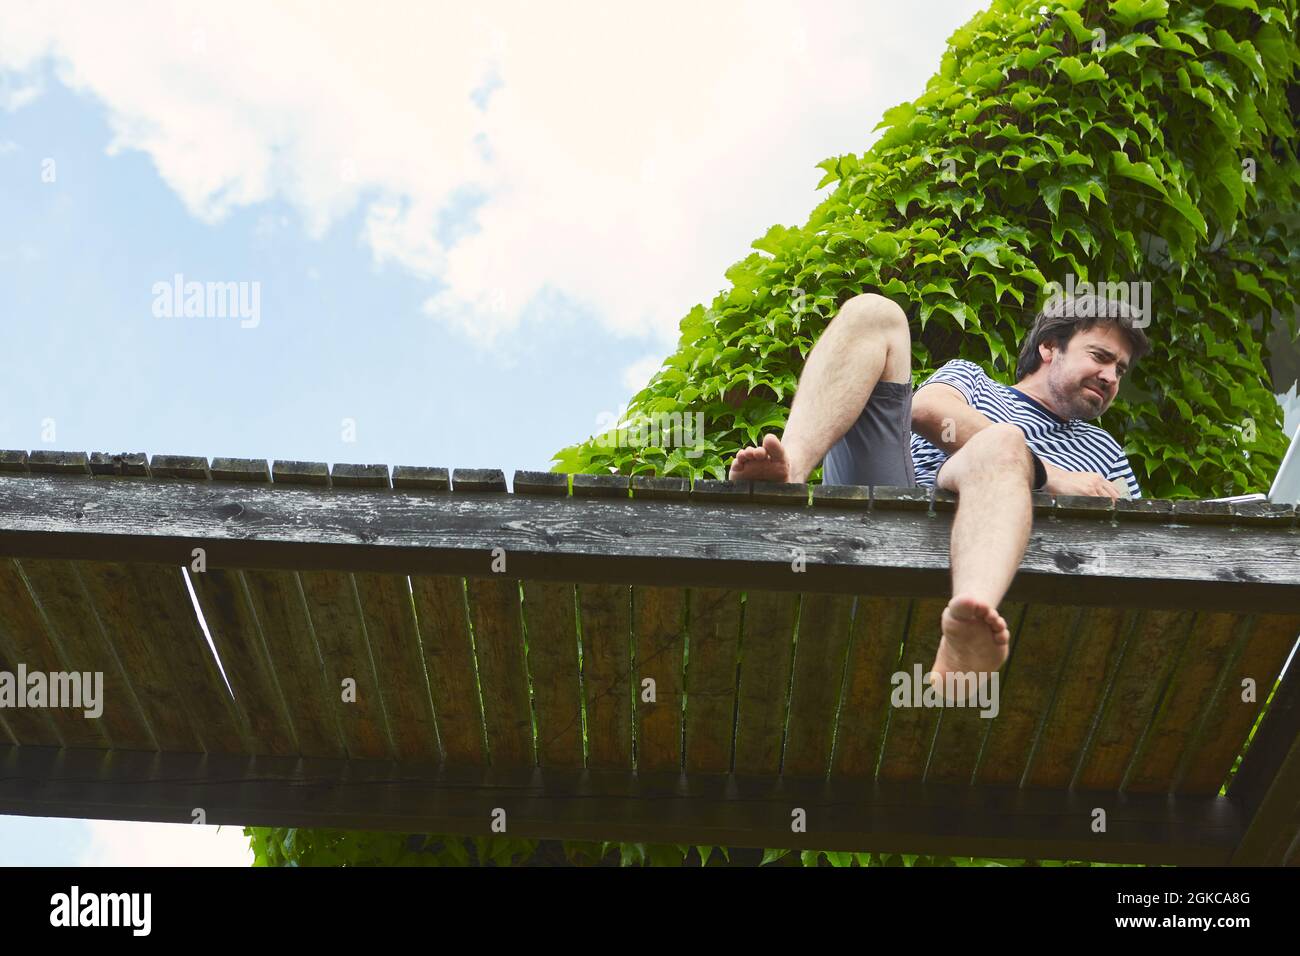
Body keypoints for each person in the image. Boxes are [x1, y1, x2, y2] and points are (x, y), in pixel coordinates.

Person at [728, 291, 1150, 686]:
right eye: (1100, 356)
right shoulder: (973, 380)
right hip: (891, 508)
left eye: (1121, 370)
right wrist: (1051, 475)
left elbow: (1138, 544)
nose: (1111, 376)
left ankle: (968, 622)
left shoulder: (1107, 453)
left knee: (1002, 446)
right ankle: (791, 470)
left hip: (1006, 576)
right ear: (1049, 347)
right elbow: (928, 409)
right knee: (874, 313)